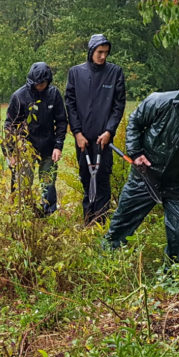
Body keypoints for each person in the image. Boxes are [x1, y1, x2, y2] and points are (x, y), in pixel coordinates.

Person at [105, 70, 179, 269]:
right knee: (123, 219)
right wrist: (135, 153)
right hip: (146, 173)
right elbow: (134, 122)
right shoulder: (159, 102)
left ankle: (173, 272)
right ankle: (107, 259)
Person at [65, 33, 126, 224]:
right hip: (83, 138)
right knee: (86, 177)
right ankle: (88, 220)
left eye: (106, 53)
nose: (103, 56)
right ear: (91, 51)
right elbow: (71, 104)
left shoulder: (115, 72)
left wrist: (109, 131)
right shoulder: (76, 73)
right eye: (100, 52)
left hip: (103, 139)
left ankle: (100, 222)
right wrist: (77, 133)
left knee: (102, 179)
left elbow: (118, 106)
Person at [4, 62, 68, 216]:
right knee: (22, 182)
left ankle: (48, 213)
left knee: (48, 183)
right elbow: (9, 126)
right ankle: (22, 213)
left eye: (43, 83)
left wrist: (58, 146)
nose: (40, 86)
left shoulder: (54, 94)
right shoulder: (19, 97)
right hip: (25, 147)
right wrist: (10, 153)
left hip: (48, 146)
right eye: (38, 84)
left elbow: (61, 121)